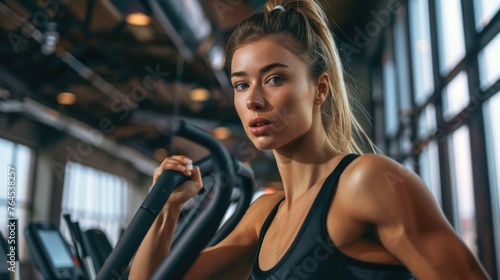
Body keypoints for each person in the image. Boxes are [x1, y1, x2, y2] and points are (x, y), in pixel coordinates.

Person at [129, 0, 490, 279]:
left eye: (274, 79)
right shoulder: (264, 215)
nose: (253, 99)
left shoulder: (369, 181)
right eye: (241, 84)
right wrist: (168, 208)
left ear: (320, 88)